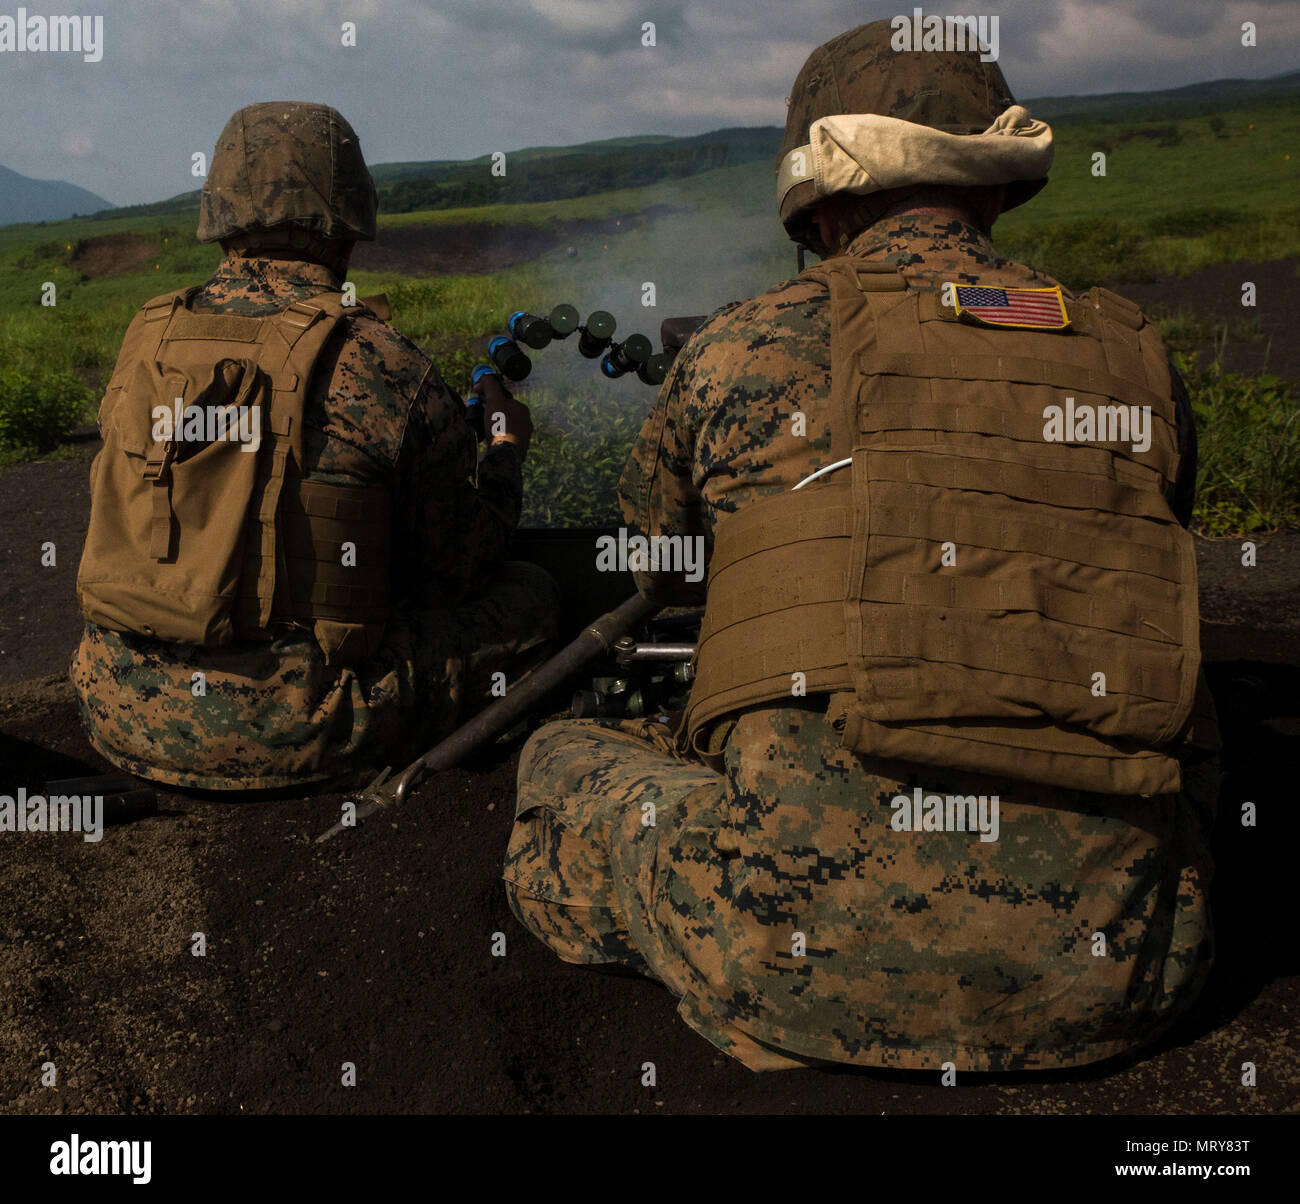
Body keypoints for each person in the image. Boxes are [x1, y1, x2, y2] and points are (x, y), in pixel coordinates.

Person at [503, 22, 1220, 1072]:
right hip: (1127, 972)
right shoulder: (1130, 351)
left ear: (823, 203)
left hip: (775, 958)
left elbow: (660, 565)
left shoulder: (736, 347)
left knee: (565, 758)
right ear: (989, 194)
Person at [73, 102, 557, 791]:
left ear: (220, 213)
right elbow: (460, 567)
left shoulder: (145, 334)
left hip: (115, 703)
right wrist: (505, 450)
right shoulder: (380, 360)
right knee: (530, 597)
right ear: (348, 217)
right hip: (291, 726)